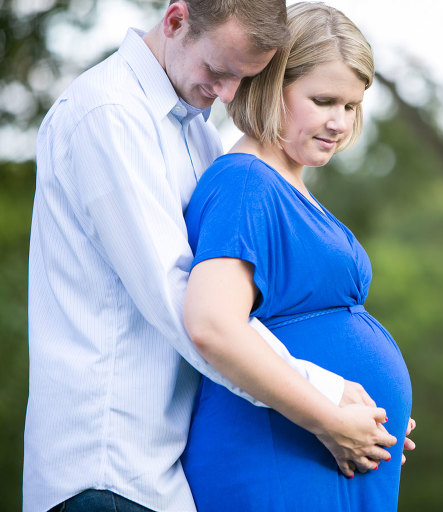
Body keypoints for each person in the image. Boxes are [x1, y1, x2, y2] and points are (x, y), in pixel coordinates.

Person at [25, 1, 410, 511]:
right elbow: (189, 304)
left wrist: (365, 411)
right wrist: (331, 400)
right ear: (175, 20)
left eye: (245, 76)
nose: (230, 94)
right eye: (219, 70)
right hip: (110, 466)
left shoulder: (196, 134)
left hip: (164, 468)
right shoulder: (110, 115)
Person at [180, 3, 412, 510]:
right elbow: (213, 325)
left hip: (317, 451)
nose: (340, 122)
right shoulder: (244, 182)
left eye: (351, 106)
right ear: (271, 85)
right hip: (274, 455)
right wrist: (329, 417)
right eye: (324, 100)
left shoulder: (288, 187)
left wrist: (373, 411)